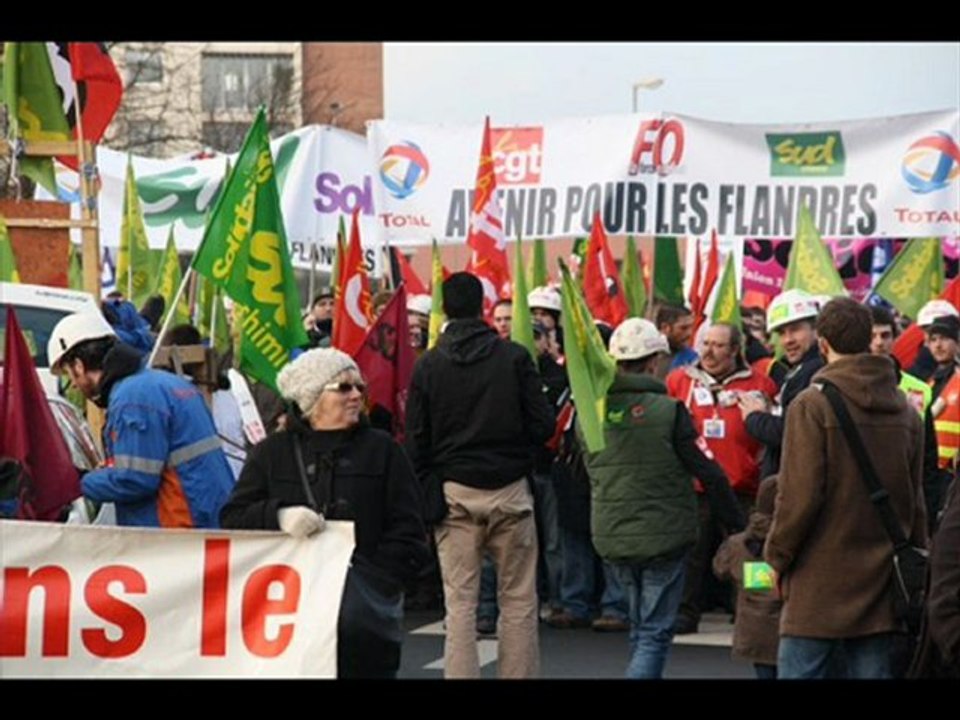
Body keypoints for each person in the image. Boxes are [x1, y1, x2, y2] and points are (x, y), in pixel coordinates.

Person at [220, 347, 429, 678]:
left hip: (363, 615)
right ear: (311, 398)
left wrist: (381, 577)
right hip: (292, 613)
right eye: (343, 387)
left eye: (359, 386)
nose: (356, 395)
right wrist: (280, 516)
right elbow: (234, 516)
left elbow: (410, 526)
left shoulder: (383, 449)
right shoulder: (272, 453)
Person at [764, 298, 926, 679]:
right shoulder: (905, 409)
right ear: (869, 339)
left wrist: (776, 557)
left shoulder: (811, 405)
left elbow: (799, 497)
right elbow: (914, 496)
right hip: (882, 575)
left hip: (817, 577)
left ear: (823, 344)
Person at [406, 272, 554, 679]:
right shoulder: (515, 357)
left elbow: (416, 439)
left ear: (445, 309)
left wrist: (427, 488)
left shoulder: (429, 366)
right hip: (510, 489)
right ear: (482, 307)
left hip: (454, 493)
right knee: (520, 602)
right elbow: (543, 425)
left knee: (460, 607)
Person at [583, 317, 744, 679]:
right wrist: (737, 523)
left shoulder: (590, 413)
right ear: (655, 360)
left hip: (613, 533)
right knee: (655, 633)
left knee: (640, 628)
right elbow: (708, 471)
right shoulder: (670, 411)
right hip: (665, 535)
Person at [47, 311, 234, 528]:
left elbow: (135, 480)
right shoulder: (165, 384)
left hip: (178, 533)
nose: (75, 386)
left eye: (70, 376)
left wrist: (78, 481)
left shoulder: (132, 399)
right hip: (205, 523)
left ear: (79, 365)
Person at [667, 322, 778, 634]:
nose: (709, 352)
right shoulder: (678, 381)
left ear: (734, 350)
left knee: (753, 553)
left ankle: (753, 609)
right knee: (692, 553)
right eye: (705, 344)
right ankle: (686, 612)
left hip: (744, 485)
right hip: (697, 484)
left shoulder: (761, 384)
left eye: (718, 345)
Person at [740, 289, 824, 479]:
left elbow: (791, 433)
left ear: (816, 329)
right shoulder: (800, 370)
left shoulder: (812, 372)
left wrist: (754, 417)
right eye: (782, 332)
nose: (788, 340)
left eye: (795, 329)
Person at [712, 475, 783, 679]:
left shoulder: (738, 543)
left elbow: (720, 570)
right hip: (786, 632)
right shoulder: (795, 541)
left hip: (754, 633)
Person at [652, 304, 697, 380]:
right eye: (683, 328)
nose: (690, 333)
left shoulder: (693, 360)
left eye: (691, 327)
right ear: (665, 328)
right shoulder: (646, 357)